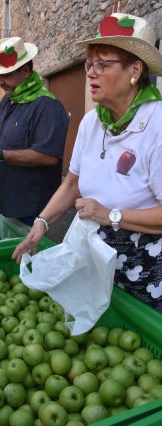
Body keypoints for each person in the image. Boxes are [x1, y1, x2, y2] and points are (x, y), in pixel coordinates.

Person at [12, 13, 162, 312]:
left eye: (102, 64)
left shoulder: (156, 124)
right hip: (93, 260)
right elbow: (72, 183)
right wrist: (42, 223)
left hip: (143, 269)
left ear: (135, 70)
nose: (91, 73)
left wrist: (110, 215)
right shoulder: (92, 122)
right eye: (89, 64)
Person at [0, 36, 69, 225]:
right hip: (5, 202)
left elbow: (48, 156)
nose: (0, 81)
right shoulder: (7, 100)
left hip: (33, 209)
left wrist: (0, 156)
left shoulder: (46, 105)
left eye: (7, 75)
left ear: (26, 71)